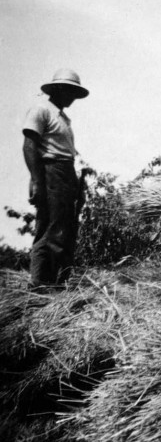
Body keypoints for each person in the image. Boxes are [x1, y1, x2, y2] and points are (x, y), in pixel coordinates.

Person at [22, 68, 90, 290]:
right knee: (52, 227)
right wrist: (36, 180)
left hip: (66, 173)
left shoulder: (62, 118)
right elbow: (30, 144)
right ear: (58, 89)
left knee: (65, 227)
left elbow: (65, 150)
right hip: (51, 172)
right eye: (69, 91)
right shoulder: (42, 110)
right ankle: (41, 282)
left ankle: (57, 280)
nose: (72, 97)